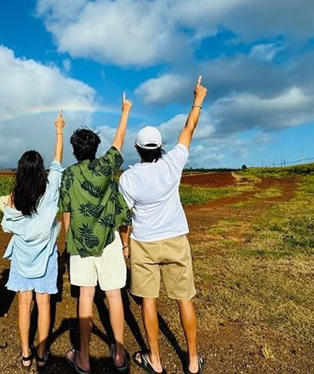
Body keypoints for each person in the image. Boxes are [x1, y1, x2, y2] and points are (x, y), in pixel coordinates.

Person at [119, 76, 207, 374]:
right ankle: (193, 361)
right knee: (184, 300)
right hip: (175, 240)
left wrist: (124, 244)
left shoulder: (128, 178)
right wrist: (197, 100)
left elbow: (123, 218)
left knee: (148, 302)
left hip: (144, 243)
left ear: (137, 148)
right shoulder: (173, 163)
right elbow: (189, 128)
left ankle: (155, 360)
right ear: (160, 147)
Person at [61, 93, 133, 374]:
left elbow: (65, 212)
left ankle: (85, 358)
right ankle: (119, 354)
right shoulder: (106, 166)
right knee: (114, 295)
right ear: (95, 148)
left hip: (79, 244)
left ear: (74, 150)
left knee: (85, 297)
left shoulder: (68, 176)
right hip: (110, 241)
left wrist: (68, 244)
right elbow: (120, 140)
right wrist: (125, 111)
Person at [0, 110, 65, 370]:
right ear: (40, 170)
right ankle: (41, 353)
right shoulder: (50, 189)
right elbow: (59, 160)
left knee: (24, 305)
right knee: (44, 303)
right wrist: (59, 129)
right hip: (46, 257)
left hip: (22, 259)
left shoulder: (14, 198)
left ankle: (25, 353)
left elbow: (9, 226)